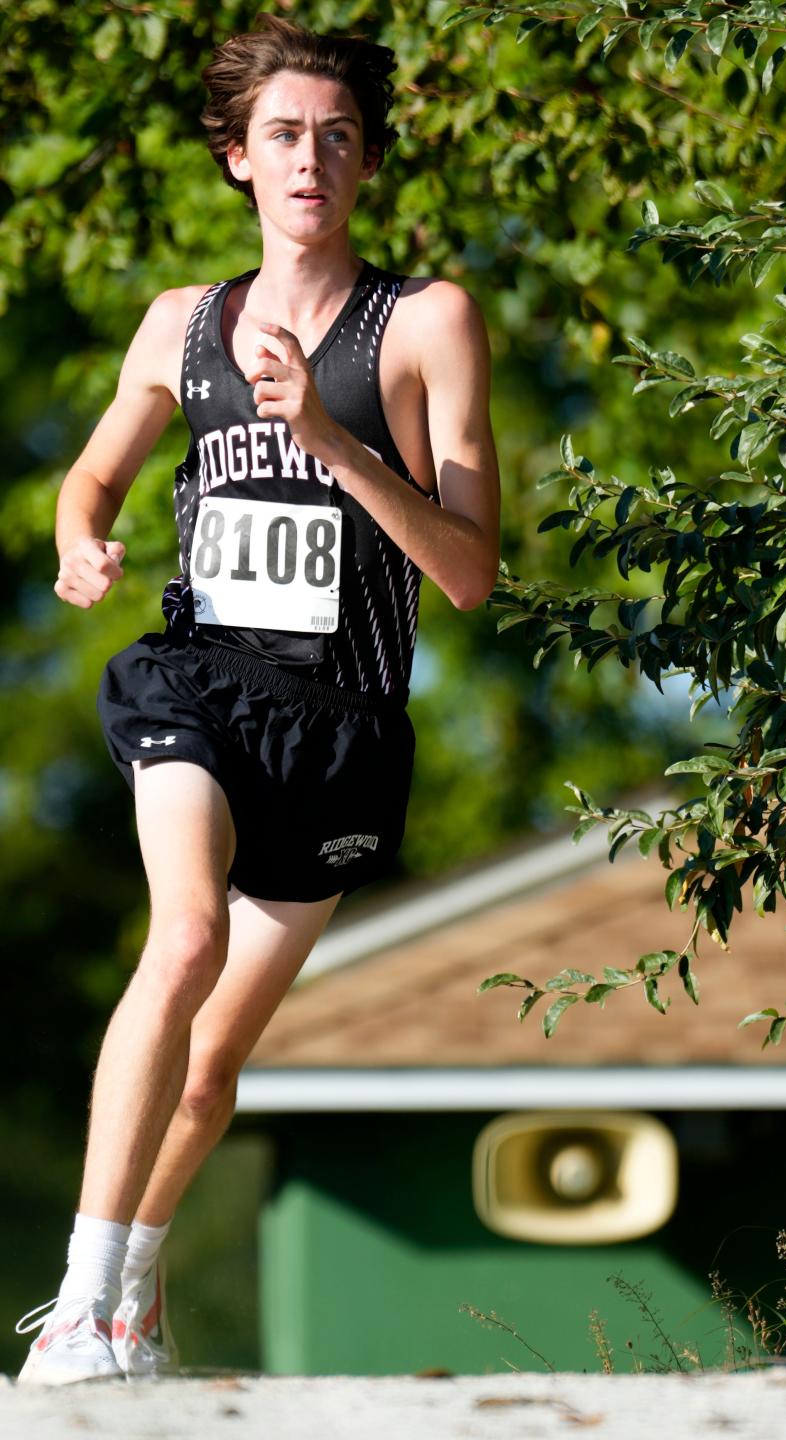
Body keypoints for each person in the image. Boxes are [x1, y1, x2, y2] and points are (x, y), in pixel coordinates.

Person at [15, 13, 500, 1385]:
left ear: (366, 167)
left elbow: (468, 575)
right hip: (198, 688)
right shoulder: (184, 324)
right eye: (284, 135)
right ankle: (80, 1305)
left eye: (338, 139)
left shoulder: (427, 322)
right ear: (238, 158)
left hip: (340, 728)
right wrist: (77, 537)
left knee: (214, 1068)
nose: (311, 160)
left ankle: (137, 1293)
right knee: (178, 941)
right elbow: (92, 476)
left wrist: (327, 437)